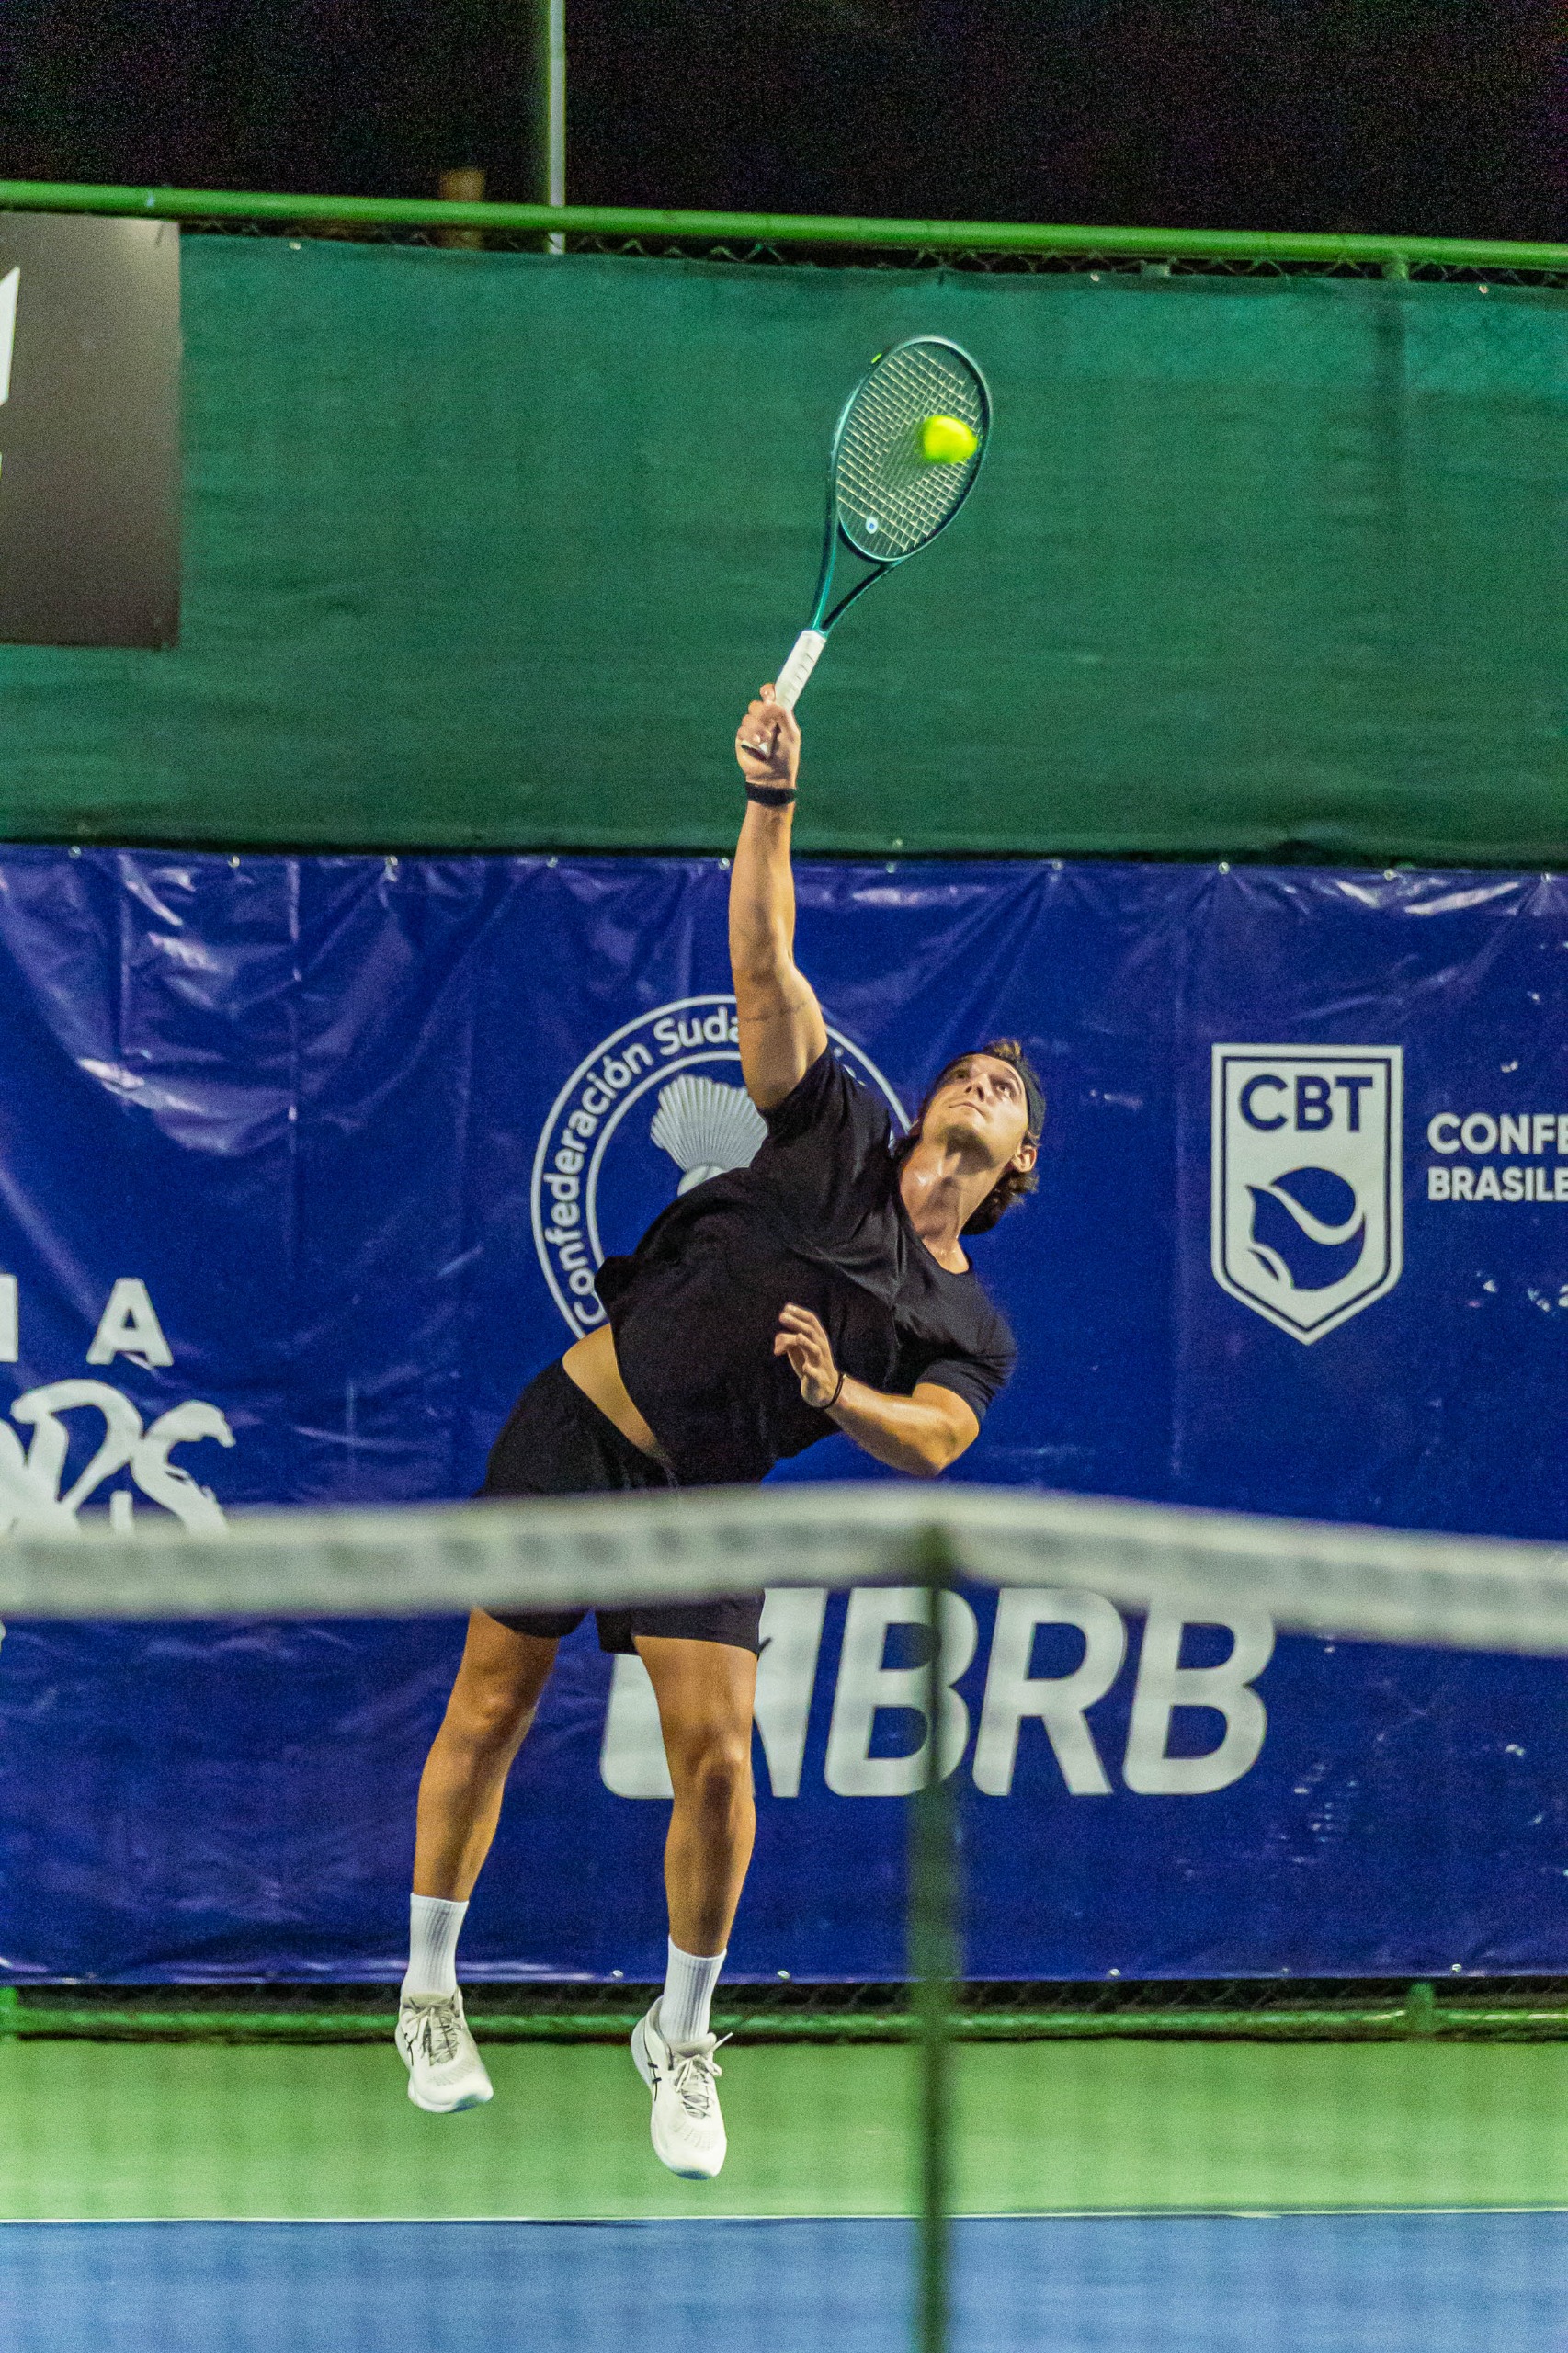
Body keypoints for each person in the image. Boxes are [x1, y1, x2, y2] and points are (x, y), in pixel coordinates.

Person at [396, 684, 1042, 2179]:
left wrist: (836, 1396)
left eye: (1008, 1096)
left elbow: (934, 1443)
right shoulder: (826, 1134)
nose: (981, 1086)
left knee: (722, 1764)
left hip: (708, 1495)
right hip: (580, 1428)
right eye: (968, 1071)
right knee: (487, 1709)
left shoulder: (967, 1324)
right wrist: (769, 801)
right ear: (928, 1102)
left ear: (1015, 1163)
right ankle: (429, 1990)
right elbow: (763, 960)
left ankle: (679, 2033)